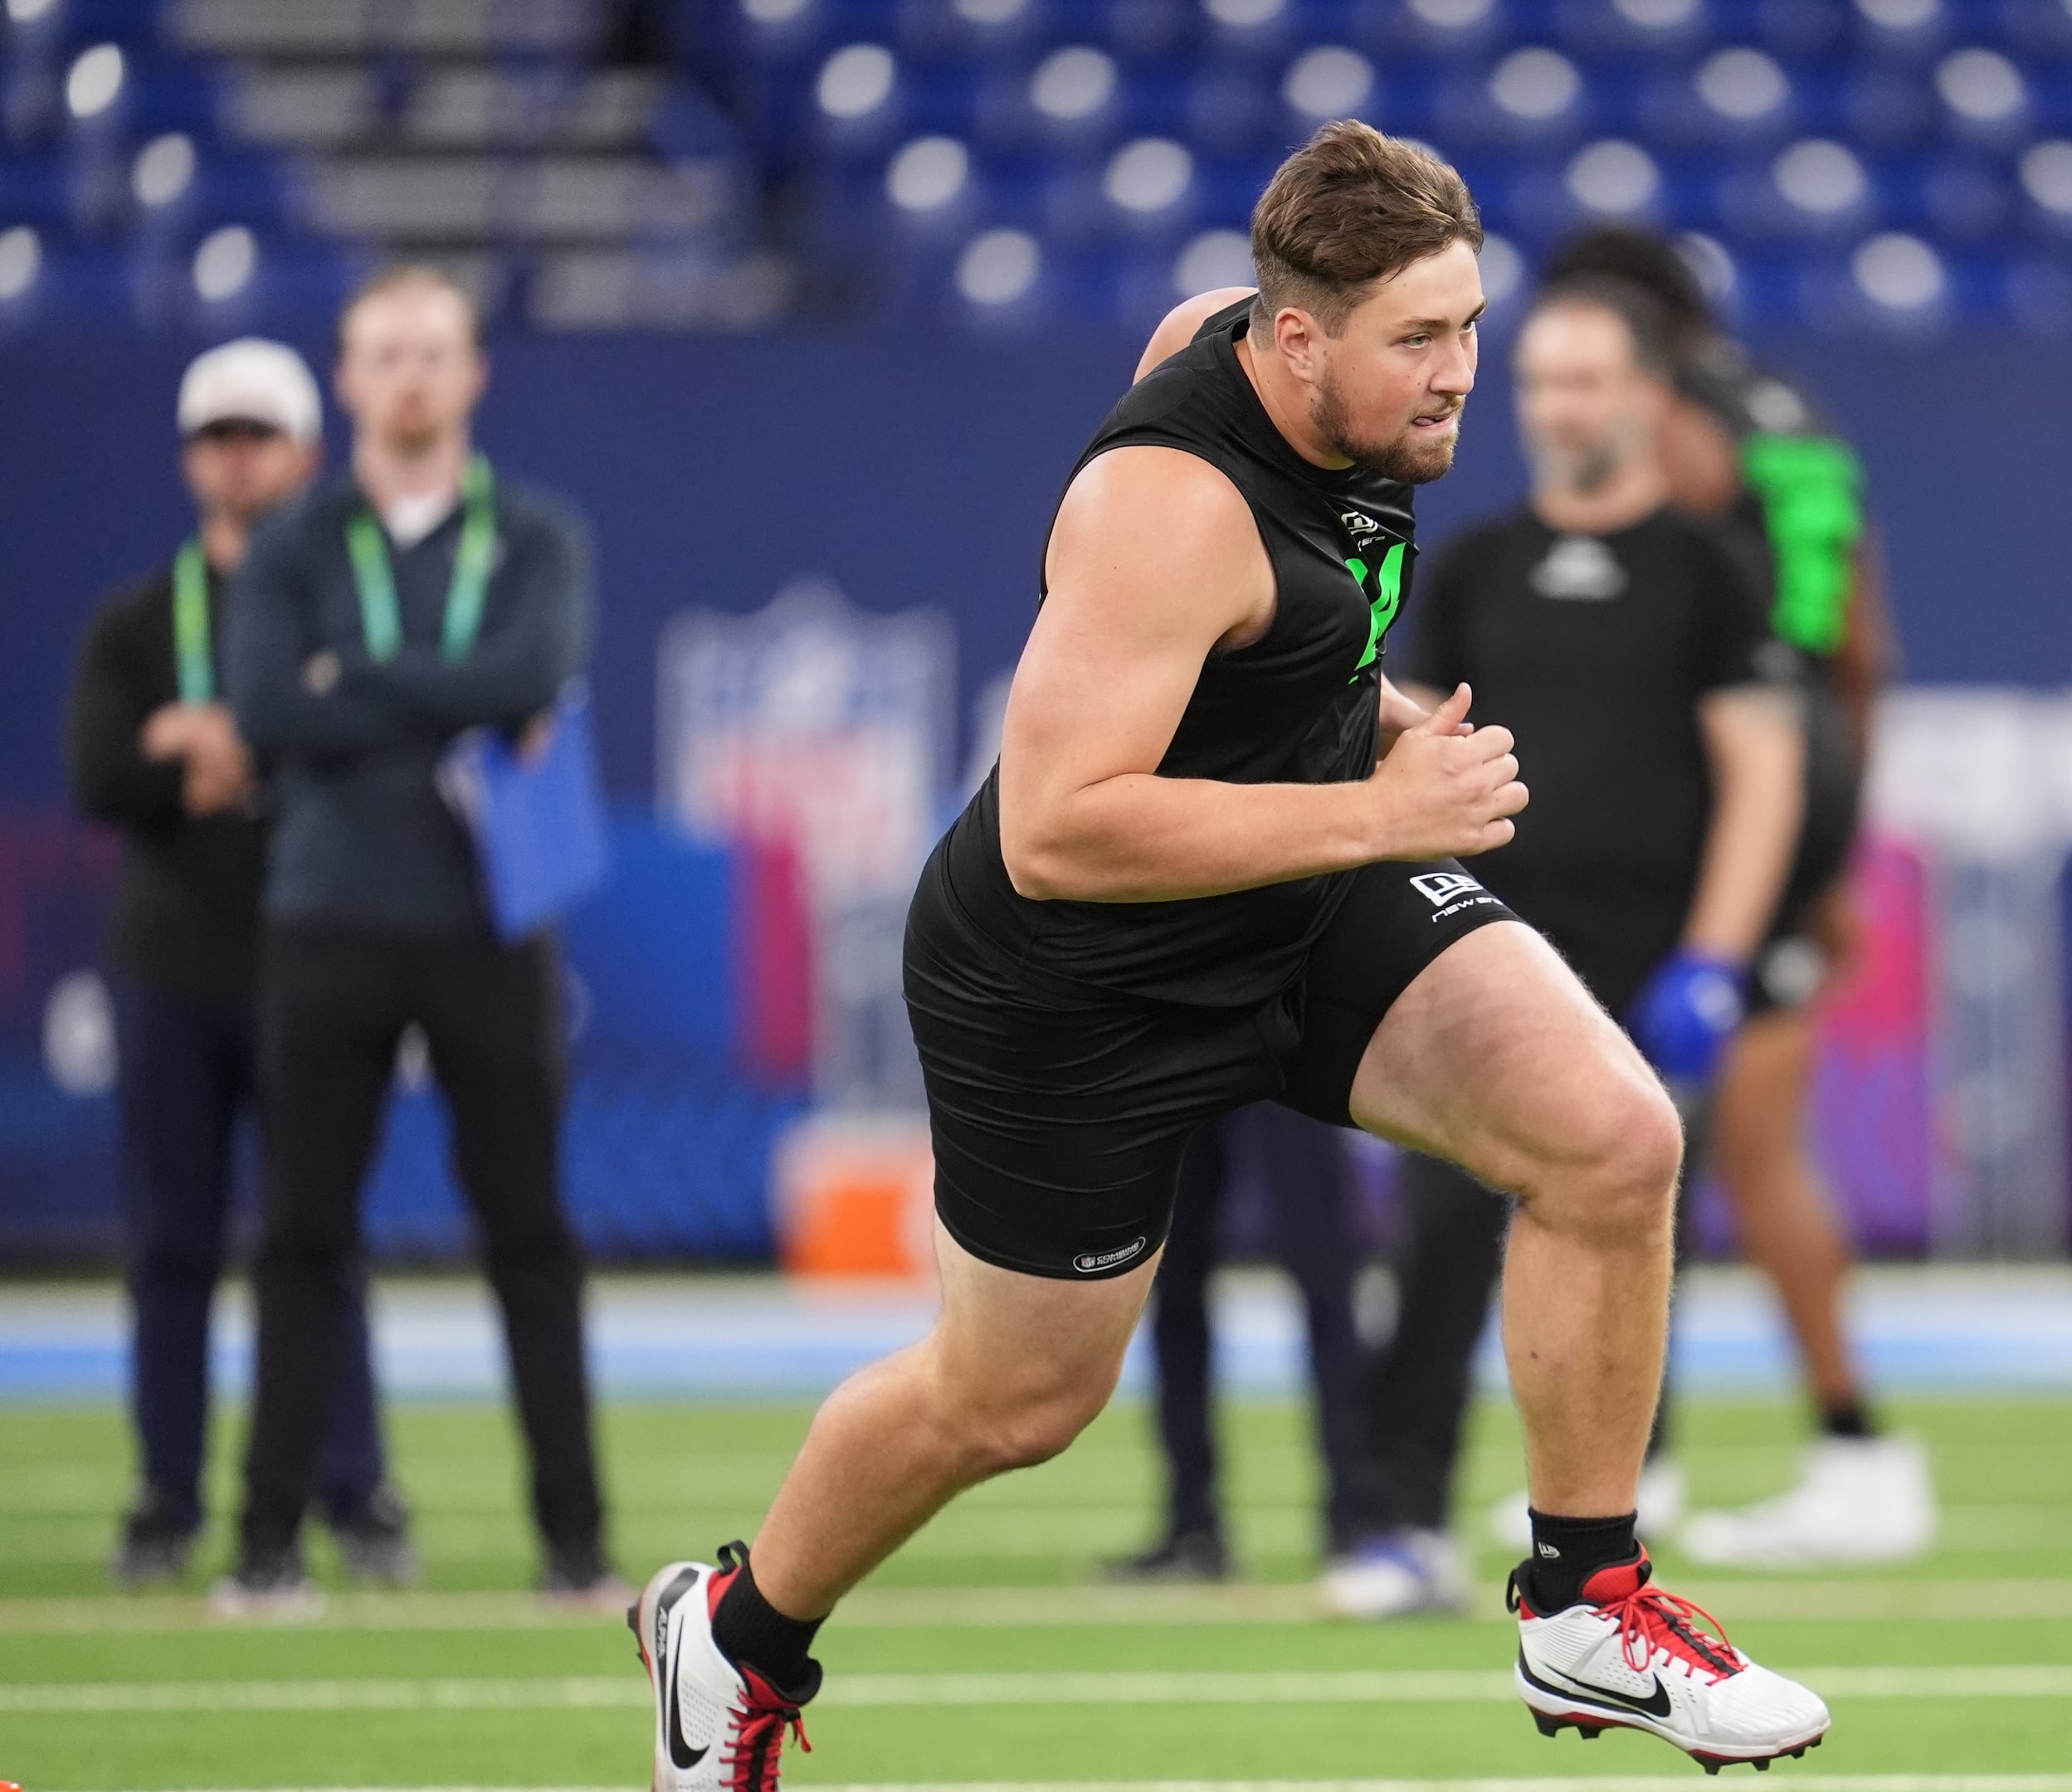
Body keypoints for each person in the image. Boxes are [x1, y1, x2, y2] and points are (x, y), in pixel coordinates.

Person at [630, 123, 1830, 1787]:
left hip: (1291, 884)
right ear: (1291, 337)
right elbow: (1060, 826)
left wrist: (1362, 726)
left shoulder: (1229, 329)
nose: (1460, 375)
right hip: (1074, 981)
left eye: (1468, 323)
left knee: (1613, 1139)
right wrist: (1377, 806)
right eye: (1419, 339)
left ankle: (1585, 1606)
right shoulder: (1167, 512)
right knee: (1015, 1405)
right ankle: (736, 1633)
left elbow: (1264, 651)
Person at [1314, 275, 1809, 1619]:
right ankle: (1394, 1521)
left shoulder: (1709, 565)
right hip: (1486, 947)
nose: (1556, 405)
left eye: (1586, 380)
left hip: (1650, 958)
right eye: (1539, 380)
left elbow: (1764, 772)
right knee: (1433, 1235)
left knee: (1631, 1225)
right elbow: (1398, 740)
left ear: (1647, 399)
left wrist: (1715, 958)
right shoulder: (1472, 563)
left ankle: (1599, 1559)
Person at [1533, 226, 1934, 1570]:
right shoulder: (1801, 422)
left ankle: (1756, 1451)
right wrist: (1837, 841)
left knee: (1677, 1133)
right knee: (1729, 1138)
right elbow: (1865, 643)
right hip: (1812, 754)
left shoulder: (1681, 425)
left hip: (1728, 770)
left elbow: (1659, 595)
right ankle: (1800, 1448)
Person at [216, 267, 615, 1613]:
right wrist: (445, 704)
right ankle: (264, 1551)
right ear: (345, 377)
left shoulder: (538, 533)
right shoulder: (293, 543)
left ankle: (575, 1546)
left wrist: (356, 683)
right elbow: (267, 707)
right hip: (325, 918)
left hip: (486, 923)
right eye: (384, 353)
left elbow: (528, 671)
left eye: (433, 352)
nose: (409, 377)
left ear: (472, 374)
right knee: (301, 1235)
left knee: (532, 1236)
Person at [64, 338, 412, 1590]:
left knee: (318, 1239)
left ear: (306, 452)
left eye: (257, 434)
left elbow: (376, 733)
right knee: (170, 1244)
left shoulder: (343, 598)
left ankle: (353, 1487)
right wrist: (200, 755)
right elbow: (101, 771)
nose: (238, 457)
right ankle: (166, 1496)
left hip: (315, 958)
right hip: (173, 966)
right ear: (187, 457)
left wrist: (231, 734)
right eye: (218, 436)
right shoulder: (140, 615)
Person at [1104, 1103, 1377, 1581]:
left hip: (1287, 1049)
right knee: (1173, 1281)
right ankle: (1192, 1527)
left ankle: (1356, 1519)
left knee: (1324, 1277)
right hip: (1184, 1051)